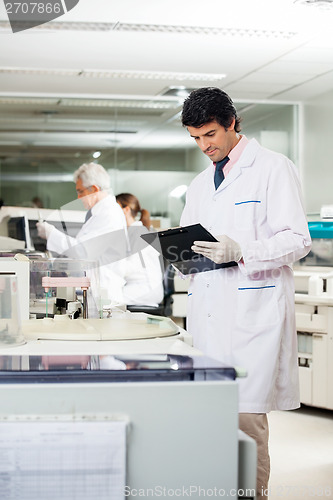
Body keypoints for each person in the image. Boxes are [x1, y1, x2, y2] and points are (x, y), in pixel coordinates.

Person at [180, 87, 311, 498]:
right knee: (211, 418)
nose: (204, 146)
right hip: (209, 316)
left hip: (253, 312)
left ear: (233, 122)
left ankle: (253, 496)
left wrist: (243, 251)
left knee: (247, 420)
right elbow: (190, 241)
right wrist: (181, 257)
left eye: (211, 135)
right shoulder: (200, 184)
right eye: (196, 138)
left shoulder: (273, 168)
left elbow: (298, 239)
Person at [36, 163, 128, 308]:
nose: (78, 197)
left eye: (80, 191)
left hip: (106, 297)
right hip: (96, 294)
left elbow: (83, 251)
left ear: (94, 189)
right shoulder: (99, 213)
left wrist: (51, 234)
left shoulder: (109, 214)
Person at [115, 193, 164, 306]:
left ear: (126, 210)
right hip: (137, 287)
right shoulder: (131, 233)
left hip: (145, 289)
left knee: (108, 298)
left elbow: (131, 267)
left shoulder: (138, 233)